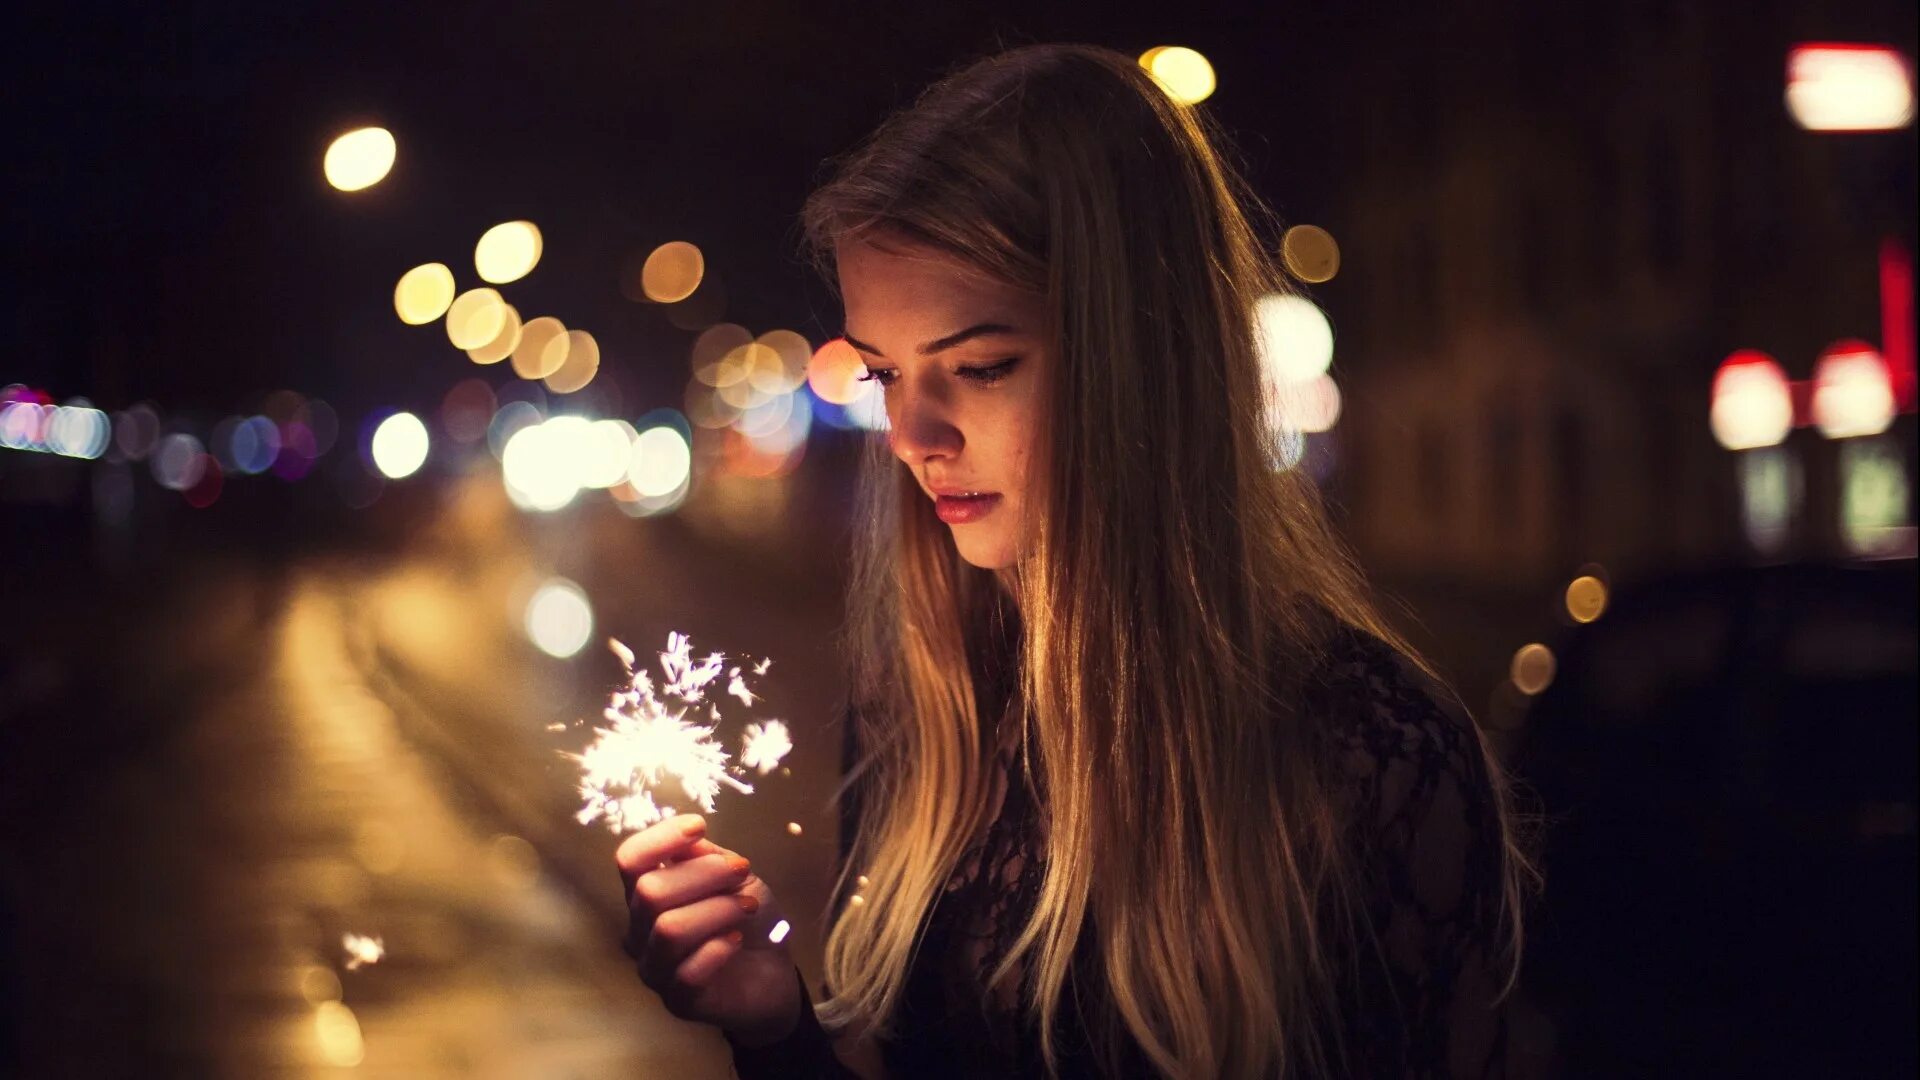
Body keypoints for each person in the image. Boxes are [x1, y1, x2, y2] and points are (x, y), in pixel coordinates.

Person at [615, 42, 1538, 1079]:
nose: (916, 435)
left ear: (1139, 359)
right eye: (885, 375)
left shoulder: (1371, 757)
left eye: (981, 366)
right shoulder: (926, 715)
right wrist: (775, 1026)